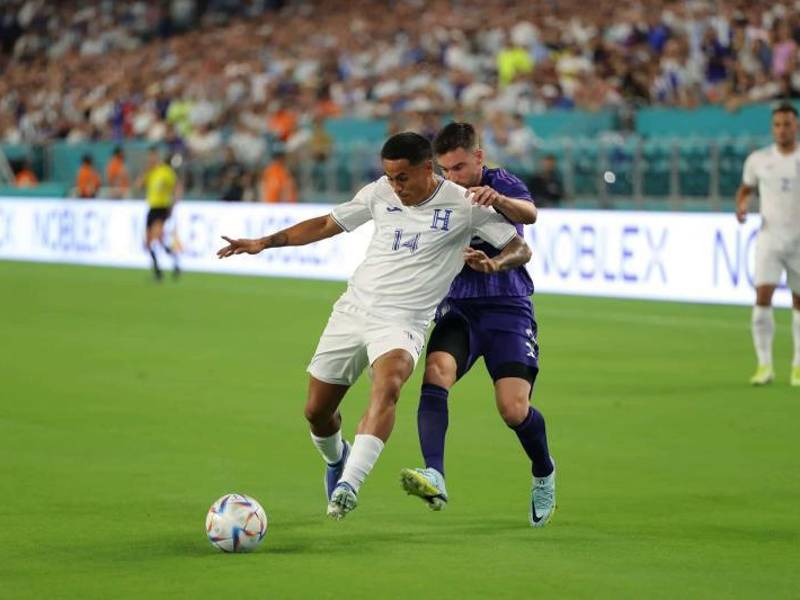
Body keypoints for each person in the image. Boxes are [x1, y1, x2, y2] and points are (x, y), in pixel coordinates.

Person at [216, 132, 532, 520]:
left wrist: (495, 264)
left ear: (427, 169)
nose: (395, 186)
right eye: (390, 177)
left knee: (389, 384)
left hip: (404, 320)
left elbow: (520, 246)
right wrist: (264, 242)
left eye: (403, 177)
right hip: (354, 310)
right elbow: (326, 224)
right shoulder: (379, 192)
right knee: (316, 412)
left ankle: (349, 484)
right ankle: (337, 458)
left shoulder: (464, 204)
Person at [399, 122, 556, 527]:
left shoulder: (500, 183)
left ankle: (543, 471)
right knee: (436, 373)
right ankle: (434, 473)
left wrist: (498, 205)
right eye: (445, 169)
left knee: (513, 409)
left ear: (479, 158)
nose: (452, 177)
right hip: (459, 307)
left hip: (507, 306)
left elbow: (530, 219)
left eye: (460, 167)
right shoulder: (440, 193)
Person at [736, 103, 800, 387]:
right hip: (770, 237)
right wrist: (741, 206)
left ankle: (798, 366)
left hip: (799, 240)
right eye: (777, 125)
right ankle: (764, 365)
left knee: (799, 302)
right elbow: (746, 188)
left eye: (787, 124)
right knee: (762, 296)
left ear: (796, 126)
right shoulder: (758, 160)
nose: (782, 130)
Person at [139, 148, 181, 281]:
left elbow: (176, 187)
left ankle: (158, 272)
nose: (151, 159)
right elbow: (139, 186)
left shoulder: (166, 171)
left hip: (162, 208)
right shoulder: (150, 172)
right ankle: (173, 262)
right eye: (150, 157)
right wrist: (145, 172)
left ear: (157, 157)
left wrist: (174, 203)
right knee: (149, 242)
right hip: (152, 208)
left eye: (153, 156)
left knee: (156, 237)